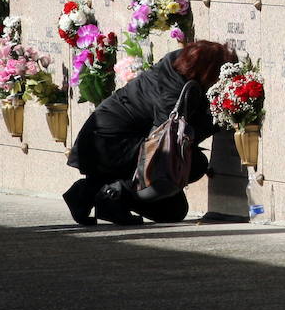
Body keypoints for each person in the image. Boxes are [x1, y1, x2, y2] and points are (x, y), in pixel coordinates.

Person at [63, 38, 234, 226]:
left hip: (109, 138)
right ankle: (112, 195)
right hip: (111, 144)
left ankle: (86, 192)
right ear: (206, 71)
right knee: (195, 164)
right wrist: (221, 118)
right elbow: (169, 141)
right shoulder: (172, 90)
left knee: (172, 211)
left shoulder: (175, 68)